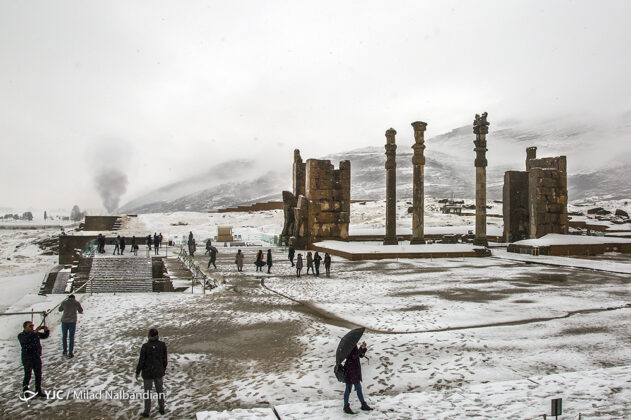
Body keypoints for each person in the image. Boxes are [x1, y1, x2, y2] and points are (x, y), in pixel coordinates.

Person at [136, 328, 167, 417]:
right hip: (158, 372)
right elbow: (165, 359)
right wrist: (163, 369)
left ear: (149, 335)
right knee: (160, 391)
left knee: (148, 393)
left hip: (148, 373)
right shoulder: (162, 345)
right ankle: (162, 409)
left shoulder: (145, 346)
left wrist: (138, 371)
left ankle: (147, 411)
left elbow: (141, 361)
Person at [18, 321, 50, 397]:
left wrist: (46, 331)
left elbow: (44, 336)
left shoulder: (35, 333)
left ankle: (38, 391)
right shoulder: (21, 335)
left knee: (38, 375)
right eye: (30, 326)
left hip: (36, 357)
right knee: (27, 375)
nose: (32, 327)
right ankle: (25, 393)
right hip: (27, 358)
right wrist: (34, 332)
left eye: (32, 326)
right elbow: (25, 340)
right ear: (25, 327)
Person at [343, 341, 373, 414]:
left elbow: (360, 355)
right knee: (348, 389)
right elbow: (353, 356)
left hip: (355, 370)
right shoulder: (348, 346)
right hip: (350, 370)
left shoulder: (353, 344)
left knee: (358, 387)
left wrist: (363, 349)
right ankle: (346, 406)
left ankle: (363, 404)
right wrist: (360, 349)